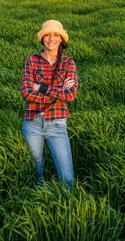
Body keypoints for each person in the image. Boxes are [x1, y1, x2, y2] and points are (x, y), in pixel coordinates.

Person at [21, 19, 79, 187]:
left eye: (55, 35)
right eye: (47, 35)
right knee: (37, 169)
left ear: (61, 39)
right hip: (32, 123)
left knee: (67, 178)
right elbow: (26, 93)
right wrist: (58, 92)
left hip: (57, 124)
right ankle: (40, 198)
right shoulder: (32, 61)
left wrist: (42, 87)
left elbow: (71, 94)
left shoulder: (68, 63)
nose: (51, 39)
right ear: (42, 38)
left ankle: (68, 208)